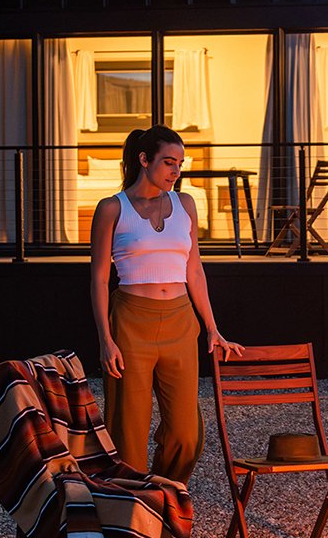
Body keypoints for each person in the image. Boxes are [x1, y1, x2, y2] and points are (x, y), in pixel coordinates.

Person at [88, 125, 243, 485]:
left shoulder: (185, 204)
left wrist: (212, 327)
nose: (176, 171)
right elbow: (98, 279)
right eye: (169, 163)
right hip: (130, 323)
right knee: (128, 432)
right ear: (144, 160)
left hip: (180, 322)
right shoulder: (112, 208)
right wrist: (105, 340)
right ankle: (130, 513)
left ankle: (162, 494)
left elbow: (194, 269)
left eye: (180, 163)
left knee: (186, 435)